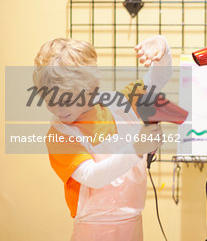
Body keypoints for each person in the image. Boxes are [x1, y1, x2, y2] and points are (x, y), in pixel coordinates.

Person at [33, 35, 172, 241]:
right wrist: (136, 149)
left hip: (132, 224)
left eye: (67, 97)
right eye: (48, 99)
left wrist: (162, 50)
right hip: (93, 230)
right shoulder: (60, 134)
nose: (57, 107)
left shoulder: (120, 105)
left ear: (91, 88)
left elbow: (158, 78)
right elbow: (93, 177)